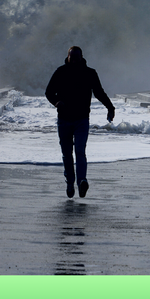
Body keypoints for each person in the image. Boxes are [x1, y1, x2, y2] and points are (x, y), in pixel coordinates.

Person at [44, 46, 115, 198]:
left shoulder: (90, 73)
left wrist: (110, 107)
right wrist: (56, 102)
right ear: (68, 57)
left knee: (80, 151)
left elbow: (99, 92)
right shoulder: (61, 72)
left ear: (82, 57)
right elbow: (49, 92)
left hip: (82, 120)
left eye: (77, 57)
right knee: (66, 154)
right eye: (72, 58)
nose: (74, 60)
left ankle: (82, 181)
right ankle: (70, 182)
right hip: (64, 120)